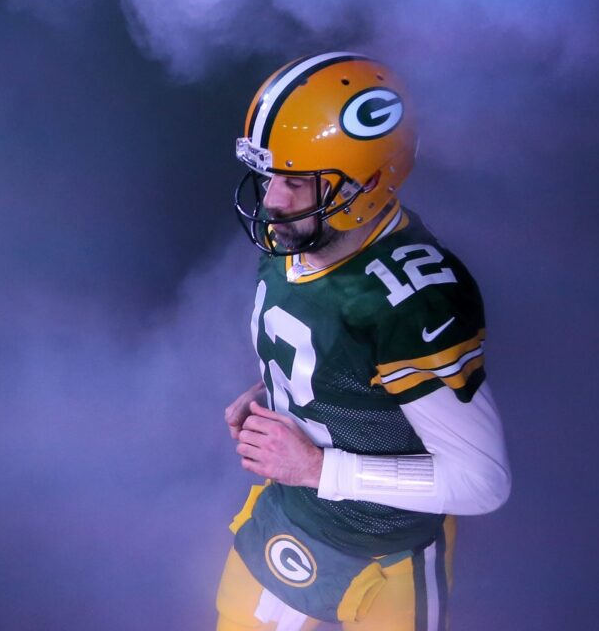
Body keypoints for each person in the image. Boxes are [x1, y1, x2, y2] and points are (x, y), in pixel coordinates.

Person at [217, 51, 511, 631]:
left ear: (370, 182)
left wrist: (315, 466)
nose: (273, 200)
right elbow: (336, 353)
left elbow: (482, 483)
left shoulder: (414, 299)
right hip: (286, 522)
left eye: (297, 180)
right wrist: (278, 392)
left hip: (385, 558)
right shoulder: (297, 238)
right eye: (272, 174)